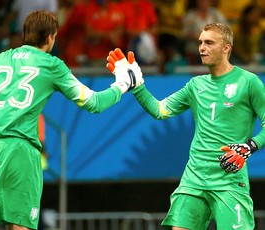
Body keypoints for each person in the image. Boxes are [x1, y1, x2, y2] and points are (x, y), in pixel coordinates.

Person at [0, 10, 135, 230]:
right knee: (21, 225)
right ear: (50, 38)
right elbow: (93, 102)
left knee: (10, 224)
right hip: (19, 149)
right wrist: (123, 84)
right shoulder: (51, 64)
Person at [107, 22, 265, 229]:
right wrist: (137, 85)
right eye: (200, 42)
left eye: (209, 43)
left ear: (226, 48)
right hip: (194, 179)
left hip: (229, 180)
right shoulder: (195, 85)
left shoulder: (249, 82)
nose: (202, 48)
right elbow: (159, 110)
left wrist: (249, 147)